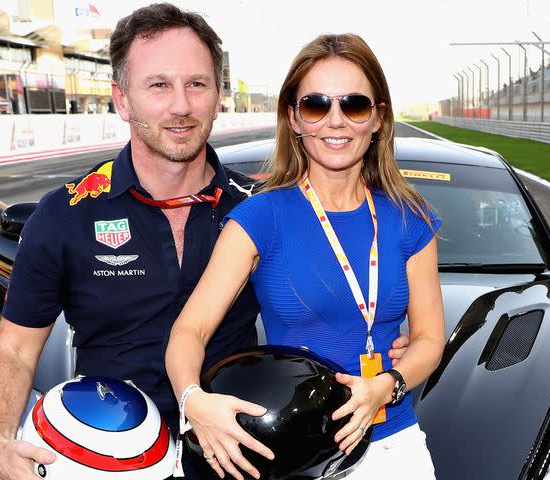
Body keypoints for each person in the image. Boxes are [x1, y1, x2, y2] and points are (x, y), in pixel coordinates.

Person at [0, 5, 410, 479]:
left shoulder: (264, 211)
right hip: (106, 457)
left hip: (236, 458)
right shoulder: (66, 214)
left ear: (217, 95)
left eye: (197, 84)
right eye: (158, 85)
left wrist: (387, 344)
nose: (181, 105)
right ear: (122, 99)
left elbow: (344, 293)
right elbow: (14, 347)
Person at [165, 33, 445, 480]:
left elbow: (430, 339)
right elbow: (189, 330)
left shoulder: (411, 218)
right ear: (295, 119)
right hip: (289, 453)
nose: (336, 121)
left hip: (393, 442)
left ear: (377, 119)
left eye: (354, 105)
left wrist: (384, 387)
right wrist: (192, 401)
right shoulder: (261, 217)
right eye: (317, 105)